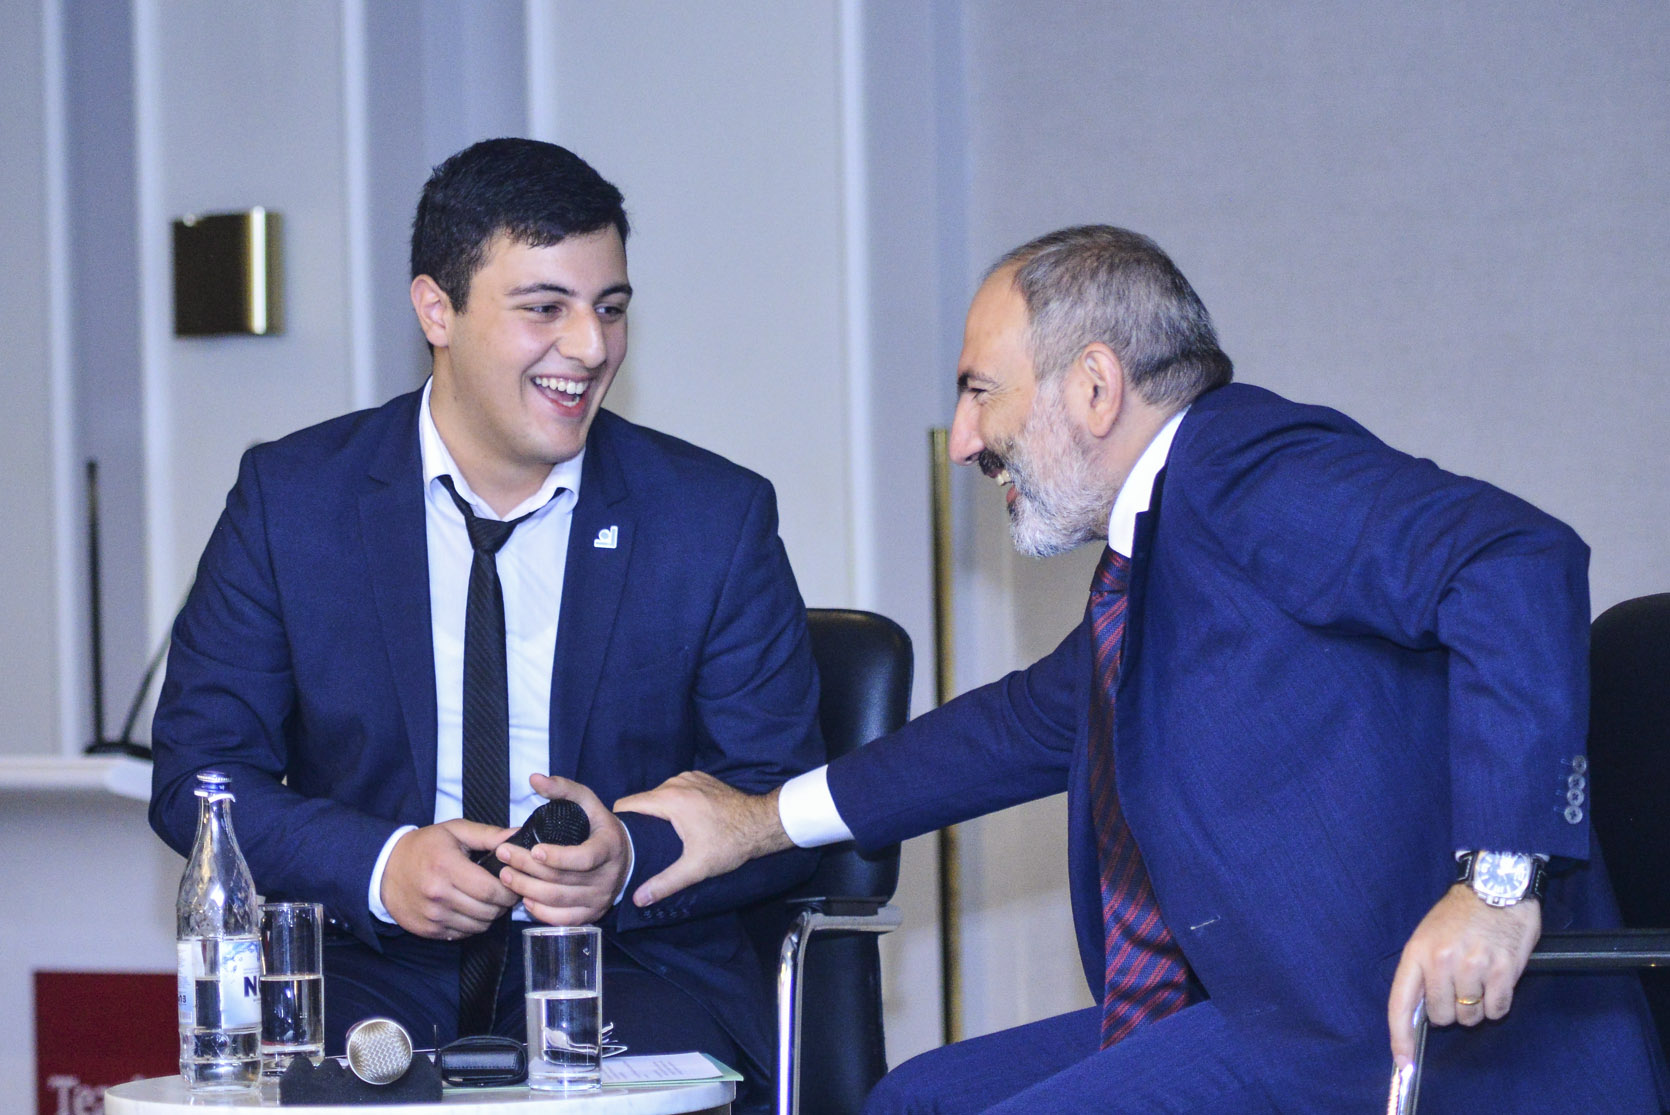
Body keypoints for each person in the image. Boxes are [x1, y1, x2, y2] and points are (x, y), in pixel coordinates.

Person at [616, 226, 1667, 1111]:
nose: (963, 438)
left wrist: (1496, 885)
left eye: (980, 390)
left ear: (1092, 385)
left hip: (1399, 1028)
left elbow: (1513, 558)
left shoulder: (1246, 467)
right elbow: (1009, 729)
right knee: (915, 1098)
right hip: (1275, 1008)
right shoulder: (1158, 558)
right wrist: (755, 821)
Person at [149, 138, 822, 1106]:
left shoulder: (710, 518)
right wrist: (382, 863)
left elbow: (781, 794)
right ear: (437, 310)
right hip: (364, 964)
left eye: (610, 308)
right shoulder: (290, 502)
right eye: (545, 308)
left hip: (630, 963)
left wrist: (626, 854)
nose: (589, 347)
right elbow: (200, 776)